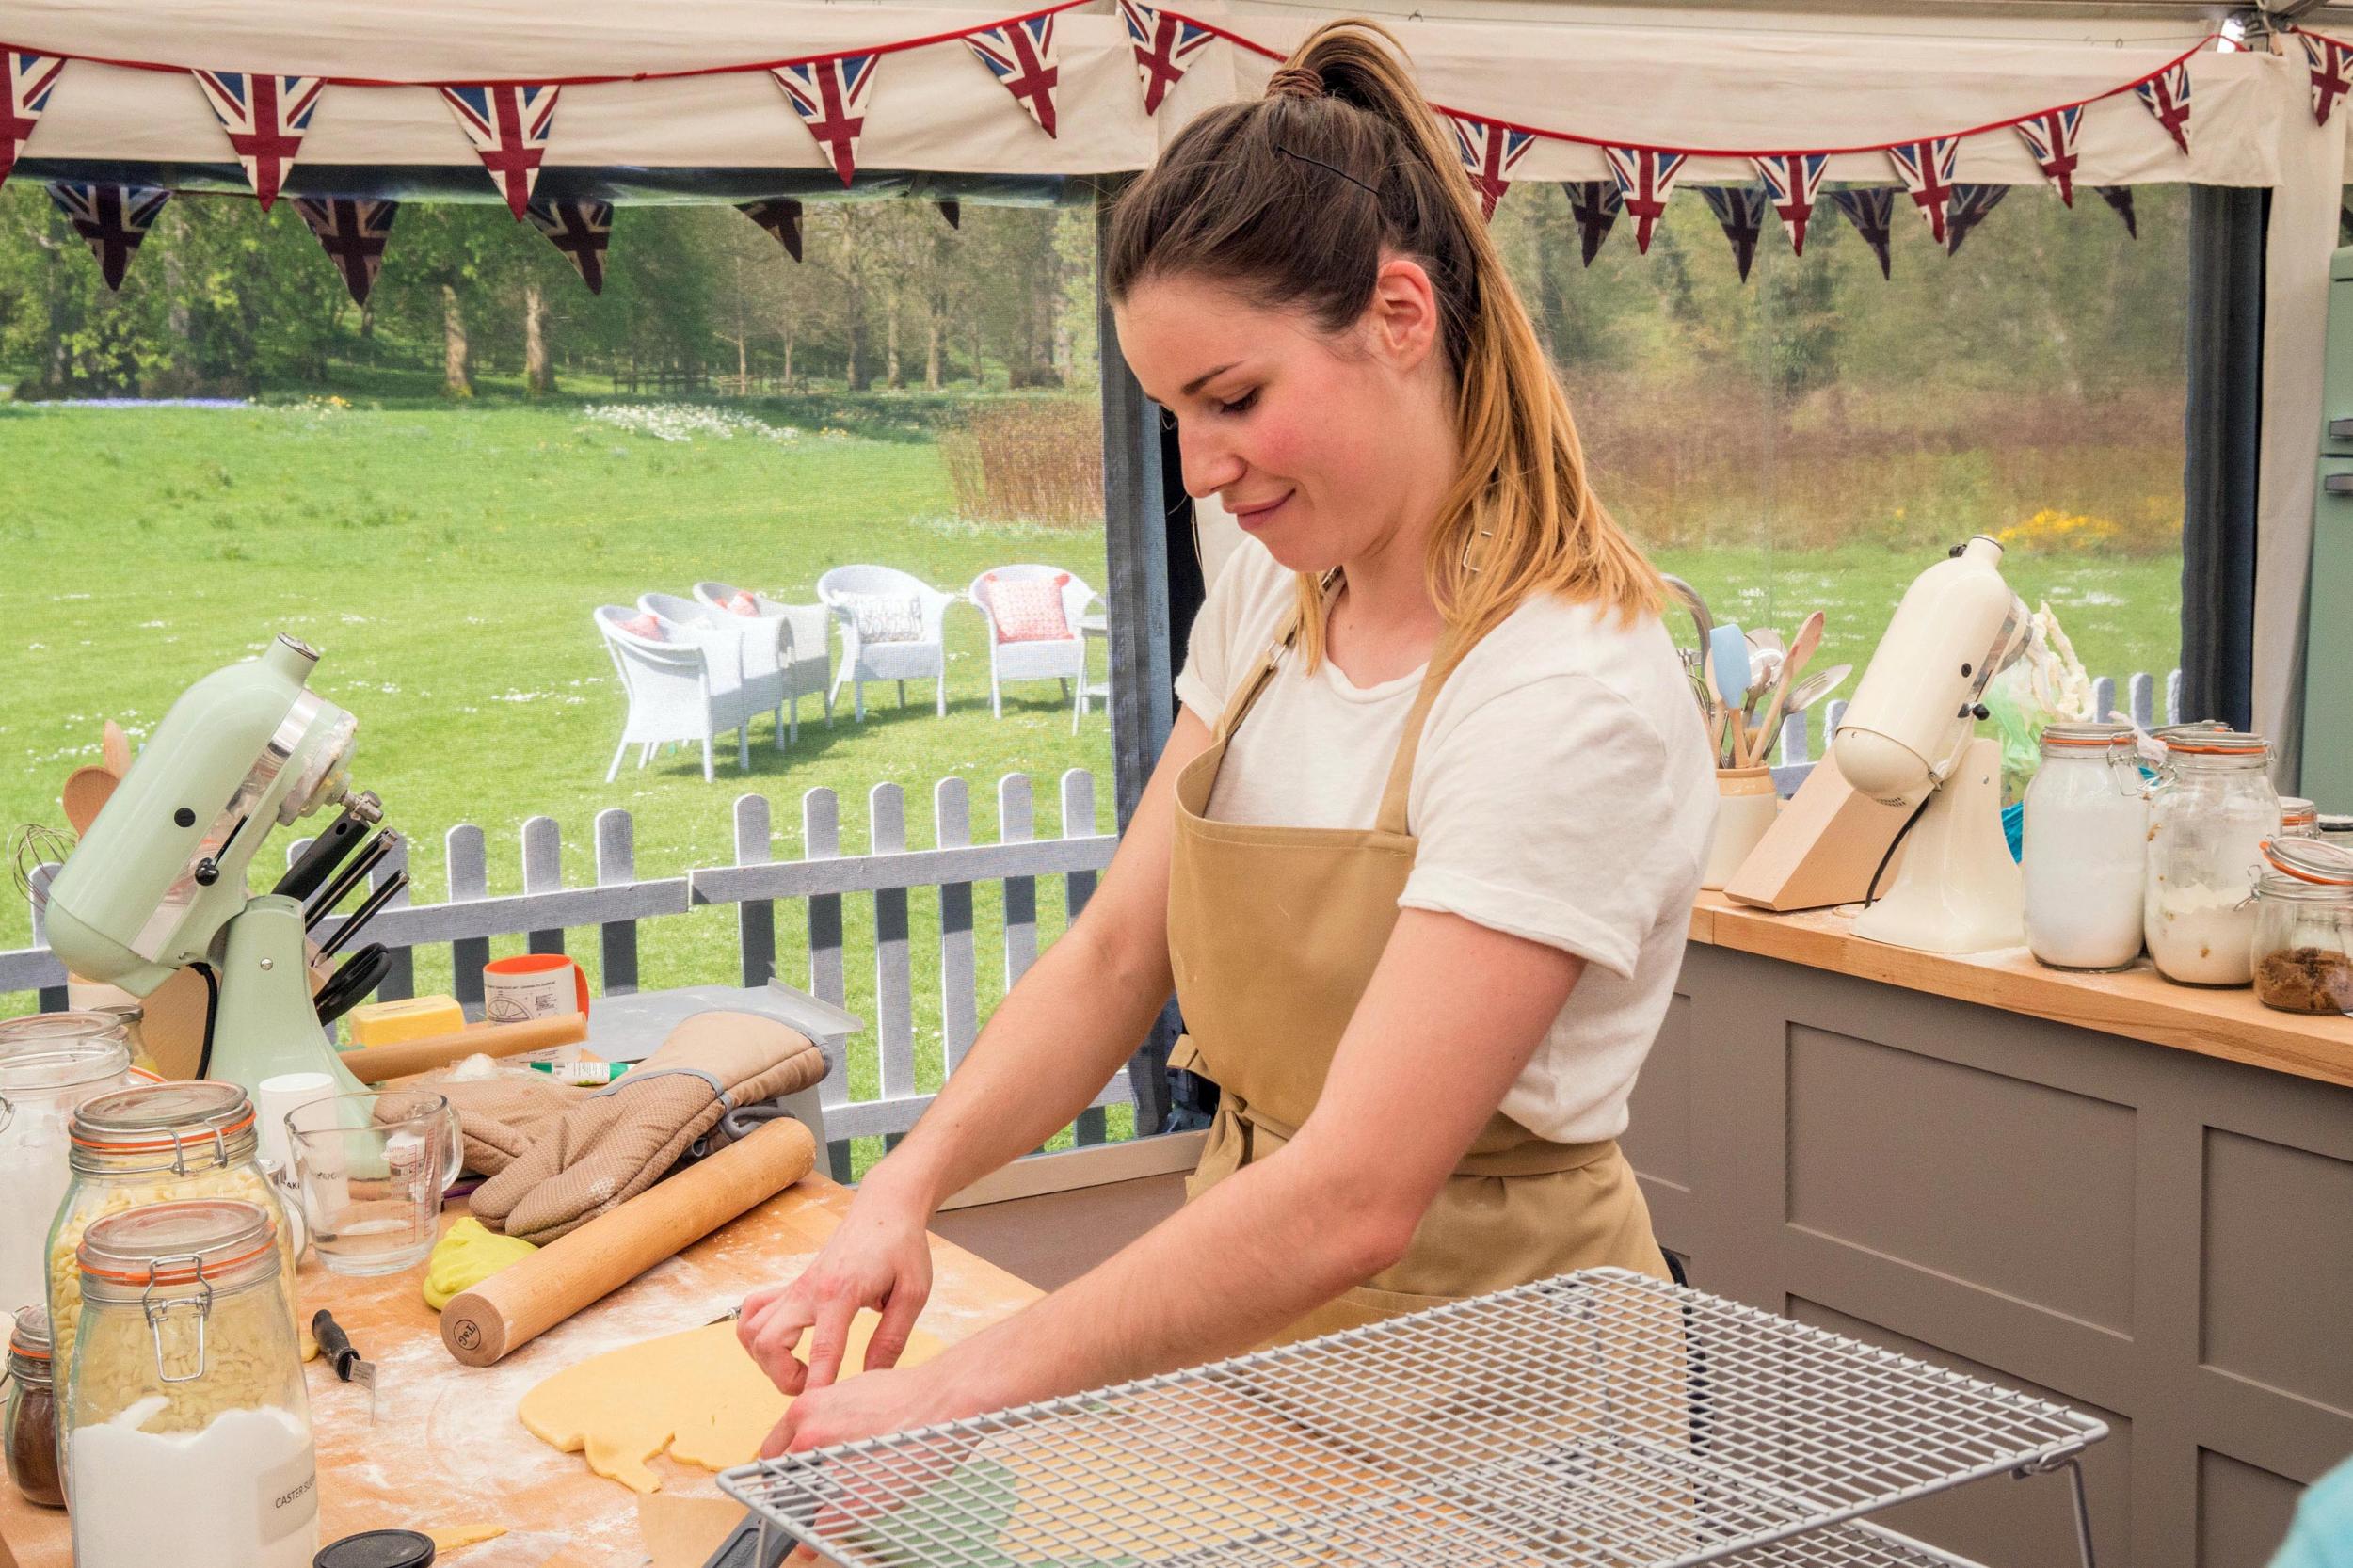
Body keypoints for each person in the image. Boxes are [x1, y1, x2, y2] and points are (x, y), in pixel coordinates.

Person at [737, 17, 1716, 1463]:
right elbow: (1118, 956)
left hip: (1504, 1402)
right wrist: (904, 1190)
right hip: (1247, 1353)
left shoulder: (1563, 690)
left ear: (1400, 316)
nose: (1201, 466)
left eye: (1235, 399)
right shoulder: (1272, 582)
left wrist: (950, 1389)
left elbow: (1354, 1195)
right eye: (1172, 414)